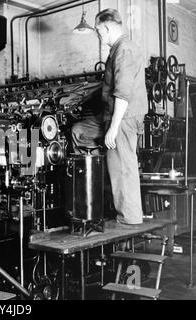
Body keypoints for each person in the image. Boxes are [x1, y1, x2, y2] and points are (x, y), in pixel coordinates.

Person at [71, 8, 148, 225]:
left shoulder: (125, 49)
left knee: (123, 165)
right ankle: (96, 173)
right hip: (110, 115)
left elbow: (122, 93)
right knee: (79, 131)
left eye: (98, 31)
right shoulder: (117, 50)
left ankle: (129, 219)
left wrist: (113, 129)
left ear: (106, 27)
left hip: (123, 116)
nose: (99, 36)